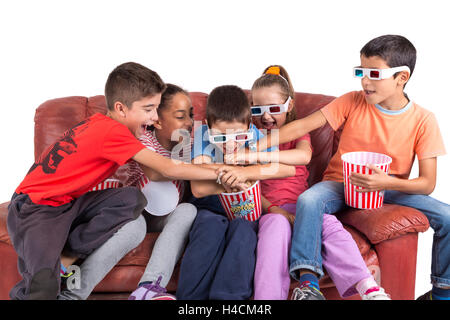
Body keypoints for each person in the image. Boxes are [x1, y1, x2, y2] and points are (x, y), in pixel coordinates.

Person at [6, 62, 226, 300]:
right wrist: (220, 171)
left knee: (130, 199)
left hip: (68, 204)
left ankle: (69, 255)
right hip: (38, 206)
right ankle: (44, 279)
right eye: (149, 109)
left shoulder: (102, 125)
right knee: (42, 287)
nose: (154, 117)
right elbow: (165, 168)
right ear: (121, 108)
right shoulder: (114, 132)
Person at [255, 35, 449, 300]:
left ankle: (442, 292)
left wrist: (386, 182)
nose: (364, 82)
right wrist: (258, 146)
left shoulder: (424, 120)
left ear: (401, 77)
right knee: (309, 199)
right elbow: (302, 125)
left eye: (374, 74)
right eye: (361, 72)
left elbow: (427, 183)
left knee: (447, 217)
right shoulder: (351, 101)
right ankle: (308, 283)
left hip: (388, 188)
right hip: (340, 184)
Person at [230, 65, 389, 300]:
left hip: (303, 208)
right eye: (257, 109)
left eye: (274, 109)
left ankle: (367, 286)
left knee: (329, 224)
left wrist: (255, 155)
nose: (265, 116)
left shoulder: (296, 135)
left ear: (289, 106)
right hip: (267, 210)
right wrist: (274, 209)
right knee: (276, 229)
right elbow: (245, 186)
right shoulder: (247, 138)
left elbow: (302, 157)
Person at [176, 85, 295, 300]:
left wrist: (248, 171)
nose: (230, 144)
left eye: (239, 137)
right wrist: (228, 178)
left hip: (244, 208)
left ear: (249, 127)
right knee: (208, 228)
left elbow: (287, 168)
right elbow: (198, 187)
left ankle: (228, 298)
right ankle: (191, 299)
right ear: (208, 127)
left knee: (244, 232)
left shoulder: (255, 136)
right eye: (220, 137)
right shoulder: (202, 135)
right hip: (209, 207)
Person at [120, 83, 198, 300]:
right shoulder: (143, 138)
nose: (189, 123)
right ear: (157, 120)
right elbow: (155, 173)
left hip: (166, 214)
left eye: (191, 115)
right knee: (138, 220)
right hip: (137, 212)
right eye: (181, 116)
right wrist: (204, 170)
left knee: (188, 209)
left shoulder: (188, 144)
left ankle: (148, 288)